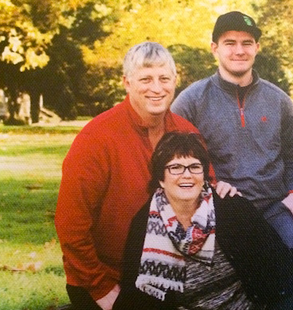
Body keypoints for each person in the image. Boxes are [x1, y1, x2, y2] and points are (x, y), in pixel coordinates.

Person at [55, 42, 234, 310]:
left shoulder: (186, 133)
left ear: (175, 81)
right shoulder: (96, 139)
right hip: (106, 278)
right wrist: (102, 288)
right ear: (127, 83)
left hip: (171, 276)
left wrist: (219, 189)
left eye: (164, 79)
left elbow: (203, 192)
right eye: (145, 79)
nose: (157, 88)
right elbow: (71, 225)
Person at [171, 11, 293, 276]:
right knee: (243, 275)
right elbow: (173, 162)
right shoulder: (191, 102)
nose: (239, 50)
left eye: (247, 43)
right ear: (214, 49)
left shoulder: (278, 100)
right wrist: (210, 186)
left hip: (274, 206)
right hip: (222, 210)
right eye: (230, 43)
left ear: (257, 48)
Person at [113, 131, 293, 310]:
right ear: (161, 178)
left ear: (204, 174)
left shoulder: (230, 207)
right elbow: (134, 295)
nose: (186, 175)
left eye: (194, 167)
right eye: (175, 168)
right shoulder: (146, 225)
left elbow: (279, 256)